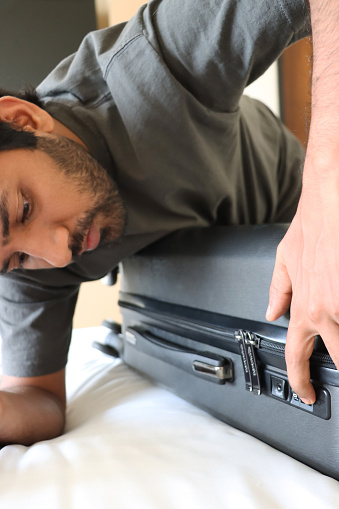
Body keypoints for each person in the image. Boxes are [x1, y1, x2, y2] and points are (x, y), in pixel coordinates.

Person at [0, 0, 331, 445]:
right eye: (17, 257)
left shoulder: (157, 65)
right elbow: (35, 395)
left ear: (24, 120)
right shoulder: (27, 265)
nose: (59, 254)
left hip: (293, 217)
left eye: (24, 209)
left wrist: (326, 195)